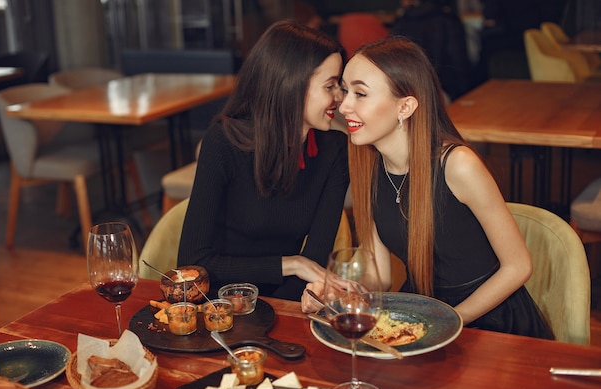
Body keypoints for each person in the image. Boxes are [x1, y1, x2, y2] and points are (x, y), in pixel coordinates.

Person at [302, 37, 554, 339]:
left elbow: (518, 266)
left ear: (405, 106)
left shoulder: (458, 165)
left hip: (490, 322)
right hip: (421, 316)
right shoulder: (369, 166)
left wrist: (451, 321)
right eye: (345, 90)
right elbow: (379, 275)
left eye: (360, 94)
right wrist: (337, 293)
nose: (344, 105)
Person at [177, 20, 349, 301]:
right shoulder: (224, 142)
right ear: (290, 84)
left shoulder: (335, 150)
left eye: (339, 86)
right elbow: (193, 263)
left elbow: (314, 264)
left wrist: (281, 314)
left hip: (287, 302)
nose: (340, 98)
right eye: (330, 86)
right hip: (220, 305)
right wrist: (291, 263)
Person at [390, 0, 473, 101]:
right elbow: (460, 63)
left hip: (407, 92)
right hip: (443, 92)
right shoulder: (449, 19)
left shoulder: (402, 21)